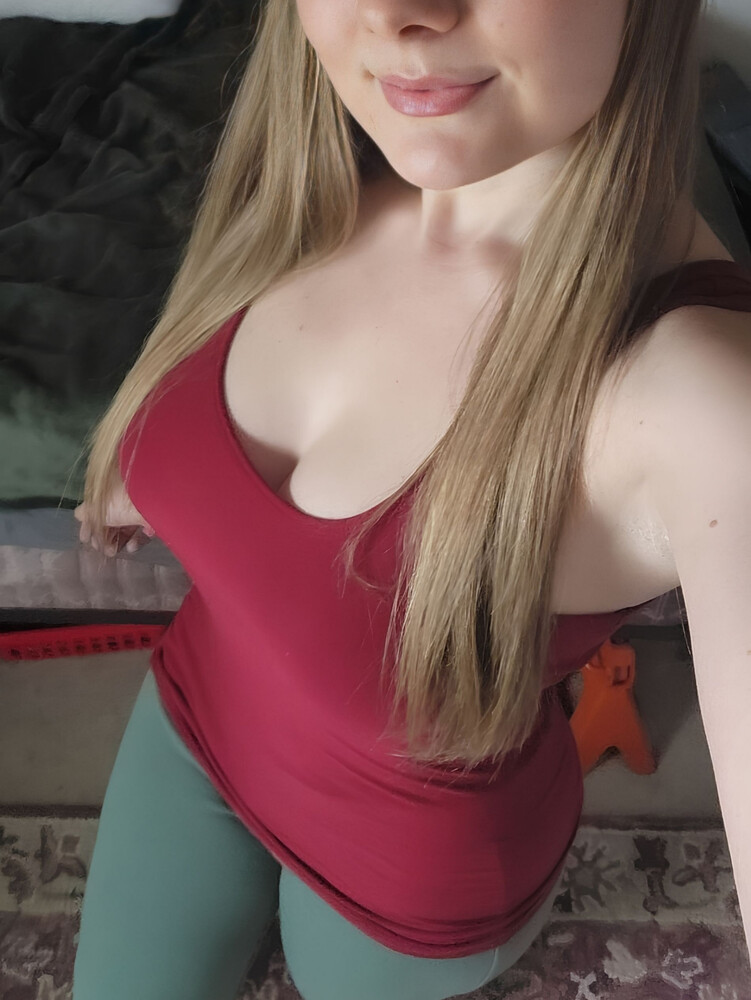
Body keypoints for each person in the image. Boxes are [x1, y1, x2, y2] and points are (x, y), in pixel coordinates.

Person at [71, 1, 751, 998]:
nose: (396, 14)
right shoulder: (320, 171)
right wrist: (158, 475)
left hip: (404, 883)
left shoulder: (700, 397)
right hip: (190, 723)